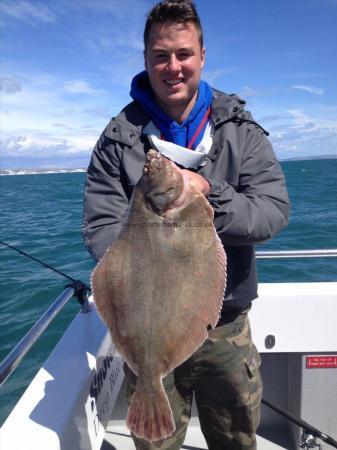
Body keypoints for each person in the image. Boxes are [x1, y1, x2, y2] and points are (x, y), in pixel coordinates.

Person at [82, 1, 290, 449]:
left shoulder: (240, 130)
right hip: (145, 325)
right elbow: (100, 224)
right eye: (160, 55)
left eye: (183, 54)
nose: (172, 66)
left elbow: (272, 211)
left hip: (227, 328)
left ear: (201, 55)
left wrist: (210, 193)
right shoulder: (118, 138)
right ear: (145, 59)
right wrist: (140, 252)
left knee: (236, 439)